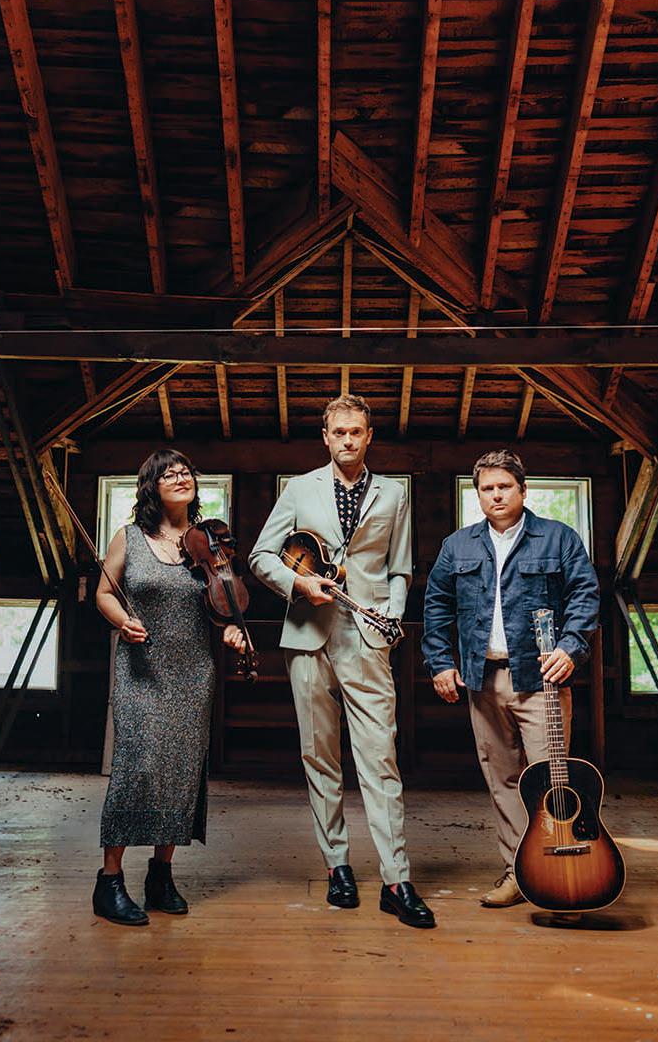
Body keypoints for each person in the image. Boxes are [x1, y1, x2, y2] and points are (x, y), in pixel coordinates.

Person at [249, 394, 434, 929]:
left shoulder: (394, 493)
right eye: (339, 432)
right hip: (308, 636)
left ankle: (397, 880)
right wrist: (298, 584)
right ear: (326, 437)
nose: (348, 440)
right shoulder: (298, 489)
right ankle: (337, 866)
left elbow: (400, 569)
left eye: (356, 431)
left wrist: (390, 617)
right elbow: (261, 556)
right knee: (320, 757)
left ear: (369, 436)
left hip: (369, 640)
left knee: (380, 759)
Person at [422, 449, 599, 908]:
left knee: (550, 781)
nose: (496, 495)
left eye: (504, 486)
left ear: (523, 489)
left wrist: (570, 648)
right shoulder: (457, 546)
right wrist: (440, 662)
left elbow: (585, 595)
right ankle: (519, 872)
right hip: (482, 680)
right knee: (502, 781)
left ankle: (563, 874)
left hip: (541, 680)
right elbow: (436, 605)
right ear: (477, 495)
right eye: (487, 488)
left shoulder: (559, 538)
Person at [92, 448, 247, 926]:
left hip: (193, 671)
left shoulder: (209, 542)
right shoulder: (129, 537)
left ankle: (161, 875)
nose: (181, 478)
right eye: (169, 474)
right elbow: (103, 592)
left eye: (186, 472)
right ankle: (109, 881)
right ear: (151, 488)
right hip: (142, 669)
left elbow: (223, 602)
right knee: (136, 768)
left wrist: (231, 627)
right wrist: (122, 620)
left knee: (181, 772)